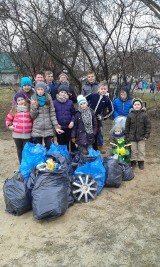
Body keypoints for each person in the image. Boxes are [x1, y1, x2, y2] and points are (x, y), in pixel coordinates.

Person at [30, 82, 63, 149]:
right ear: (36, 90)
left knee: (50, 148)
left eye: (41, 89)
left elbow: (52, 114)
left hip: (49, 129)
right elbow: (33, 116)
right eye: (38, 89)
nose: (40, 91)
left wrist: (56, 127)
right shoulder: (33, 99)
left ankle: (49, 160)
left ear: (44, 90)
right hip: (37, 129)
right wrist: (34, 108)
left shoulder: (48, 98)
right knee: (38, 150)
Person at [86, 80, 114, 153]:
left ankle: (99, 147)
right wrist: (85, 109)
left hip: (98, 119)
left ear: (107, 90)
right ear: (98, 89)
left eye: (105, 89)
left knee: (99, 134)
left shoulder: (107, 99)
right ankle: (87, 147)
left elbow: (111, 110)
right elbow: (83, 100)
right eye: (102, 89)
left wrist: (103, 117)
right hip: (89, 117)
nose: (103, 90)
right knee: (88, 132)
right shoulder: (93, 95)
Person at [125, 97, 151, 170]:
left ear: (141, 105)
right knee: (133, 150)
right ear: (133, 105)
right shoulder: (130, 115)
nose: (137, 106)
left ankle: (141, 162)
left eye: (138, 104)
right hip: (132, 137)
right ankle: (133, 162)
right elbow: (127, 126)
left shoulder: (144, 115)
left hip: (141, 137)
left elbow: (148, 126)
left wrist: (146, 135)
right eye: (135, 104)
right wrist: (127, 135)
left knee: (141, 150)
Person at [6, 92, 32, 163]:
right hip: (16, 134)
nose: (21, 101)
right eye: (19, 100)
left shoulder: (29, 109)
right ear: (16, 102)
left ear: (25, 100)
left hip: (27, 134)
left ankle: (26, 163)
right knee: (19, 149)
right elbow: (8, 119)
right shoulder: (14, 110)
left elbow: (33, 119)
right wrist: (9, 126)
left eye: (22, 99)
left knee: (26, 149)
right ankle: (21, 164)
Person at [53, 83, 76, 150]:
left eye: (65, 92)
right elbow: (53, 114)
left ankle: (67, 157)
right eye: (61, 92)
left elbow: (73, 113)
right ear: (59, 92)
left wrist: (72, 121)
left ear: (67, 93)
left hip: (68, 127)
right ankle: (62, 158)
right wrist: (56, 124)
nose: (63, 93)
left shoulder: (70, 102)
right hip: (59, 127)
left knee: (67, 142)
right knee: (60, 143)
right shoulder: (54, 102)